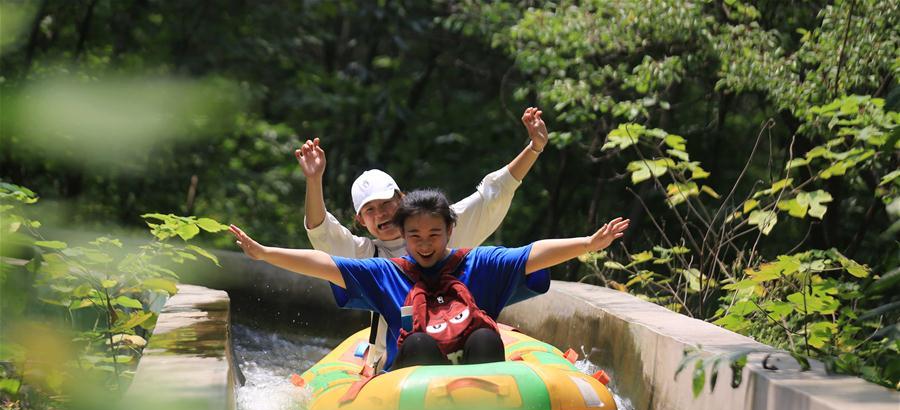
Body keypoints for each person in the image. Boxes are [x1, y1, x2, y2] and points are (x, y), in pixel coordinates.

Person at [229, 190, 629, 372]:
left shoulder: (478, 262)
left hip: (478, 373)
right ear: (404, 235)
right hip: (413, 379)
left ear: (449, 232)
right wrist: (265, 253)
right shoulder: (387, 272)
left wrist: (589, 244)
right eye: (415, 236)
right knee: (418, 342)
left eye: (434, 234)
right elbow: (324, 264)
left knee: (487, 338)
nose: (424, 244)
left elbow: (532, 254)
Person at [294, 108, 550, 368]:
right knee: (417, 344)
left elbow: (493, 194)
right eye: (370, 210)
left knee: (484, 338)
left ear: (401, 199)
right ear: (361, 220)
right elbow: (321, 231)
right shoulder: (366, 257)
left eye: (386, 203)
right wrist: (314, 180)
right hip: (402, 356)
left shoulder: (444, 228)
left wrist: (534, 148)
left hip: (464, 341)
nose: (381, 213)